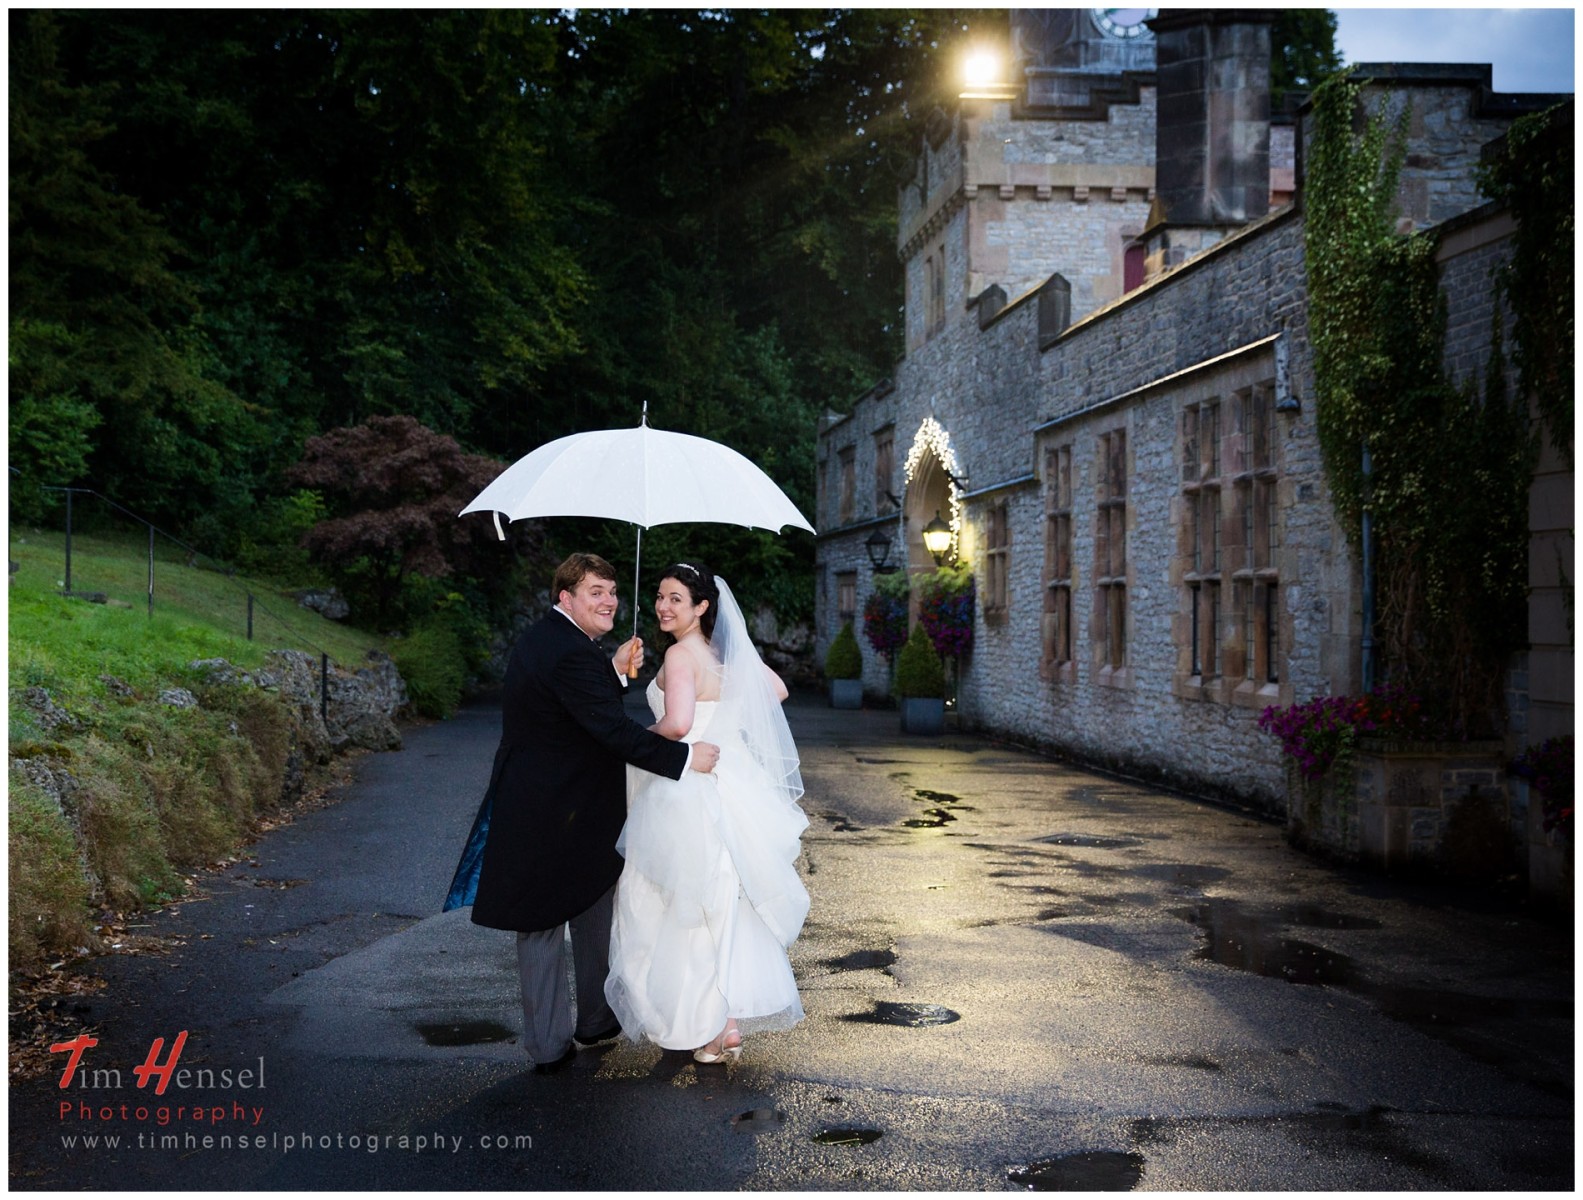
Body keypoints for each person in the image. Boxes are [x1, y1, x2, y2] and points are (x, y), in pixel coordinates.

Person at [443, 553, 721, 1074]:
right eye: (595, 591)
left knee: (593, 901)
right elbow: (609, 731)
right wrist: (684, 758)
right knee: (543, 922)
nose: (609, 600)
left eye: (612, 591)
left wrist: (613, 673)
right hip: (549, 811)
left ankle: (596, 1019)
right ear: (565, 597)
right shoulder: (569, 650)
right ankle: (549, 1044)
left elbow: (574, 709)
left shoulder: (559, 641)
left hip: (573, 809)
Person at [605, 562, 809, 1064]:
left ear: (700, 607)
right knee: (723, 901)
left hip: (686, 784)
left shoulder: (678, 655)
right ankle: (728, 1022)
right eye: (659, 596)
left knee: (678, 904)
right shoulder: (722, 654)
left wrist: (628, 741)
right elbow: (777, 689)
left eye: (676, 598)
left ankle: (708, 1022)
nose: (663, 606)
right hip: (731, 784)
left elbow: (677, 724)